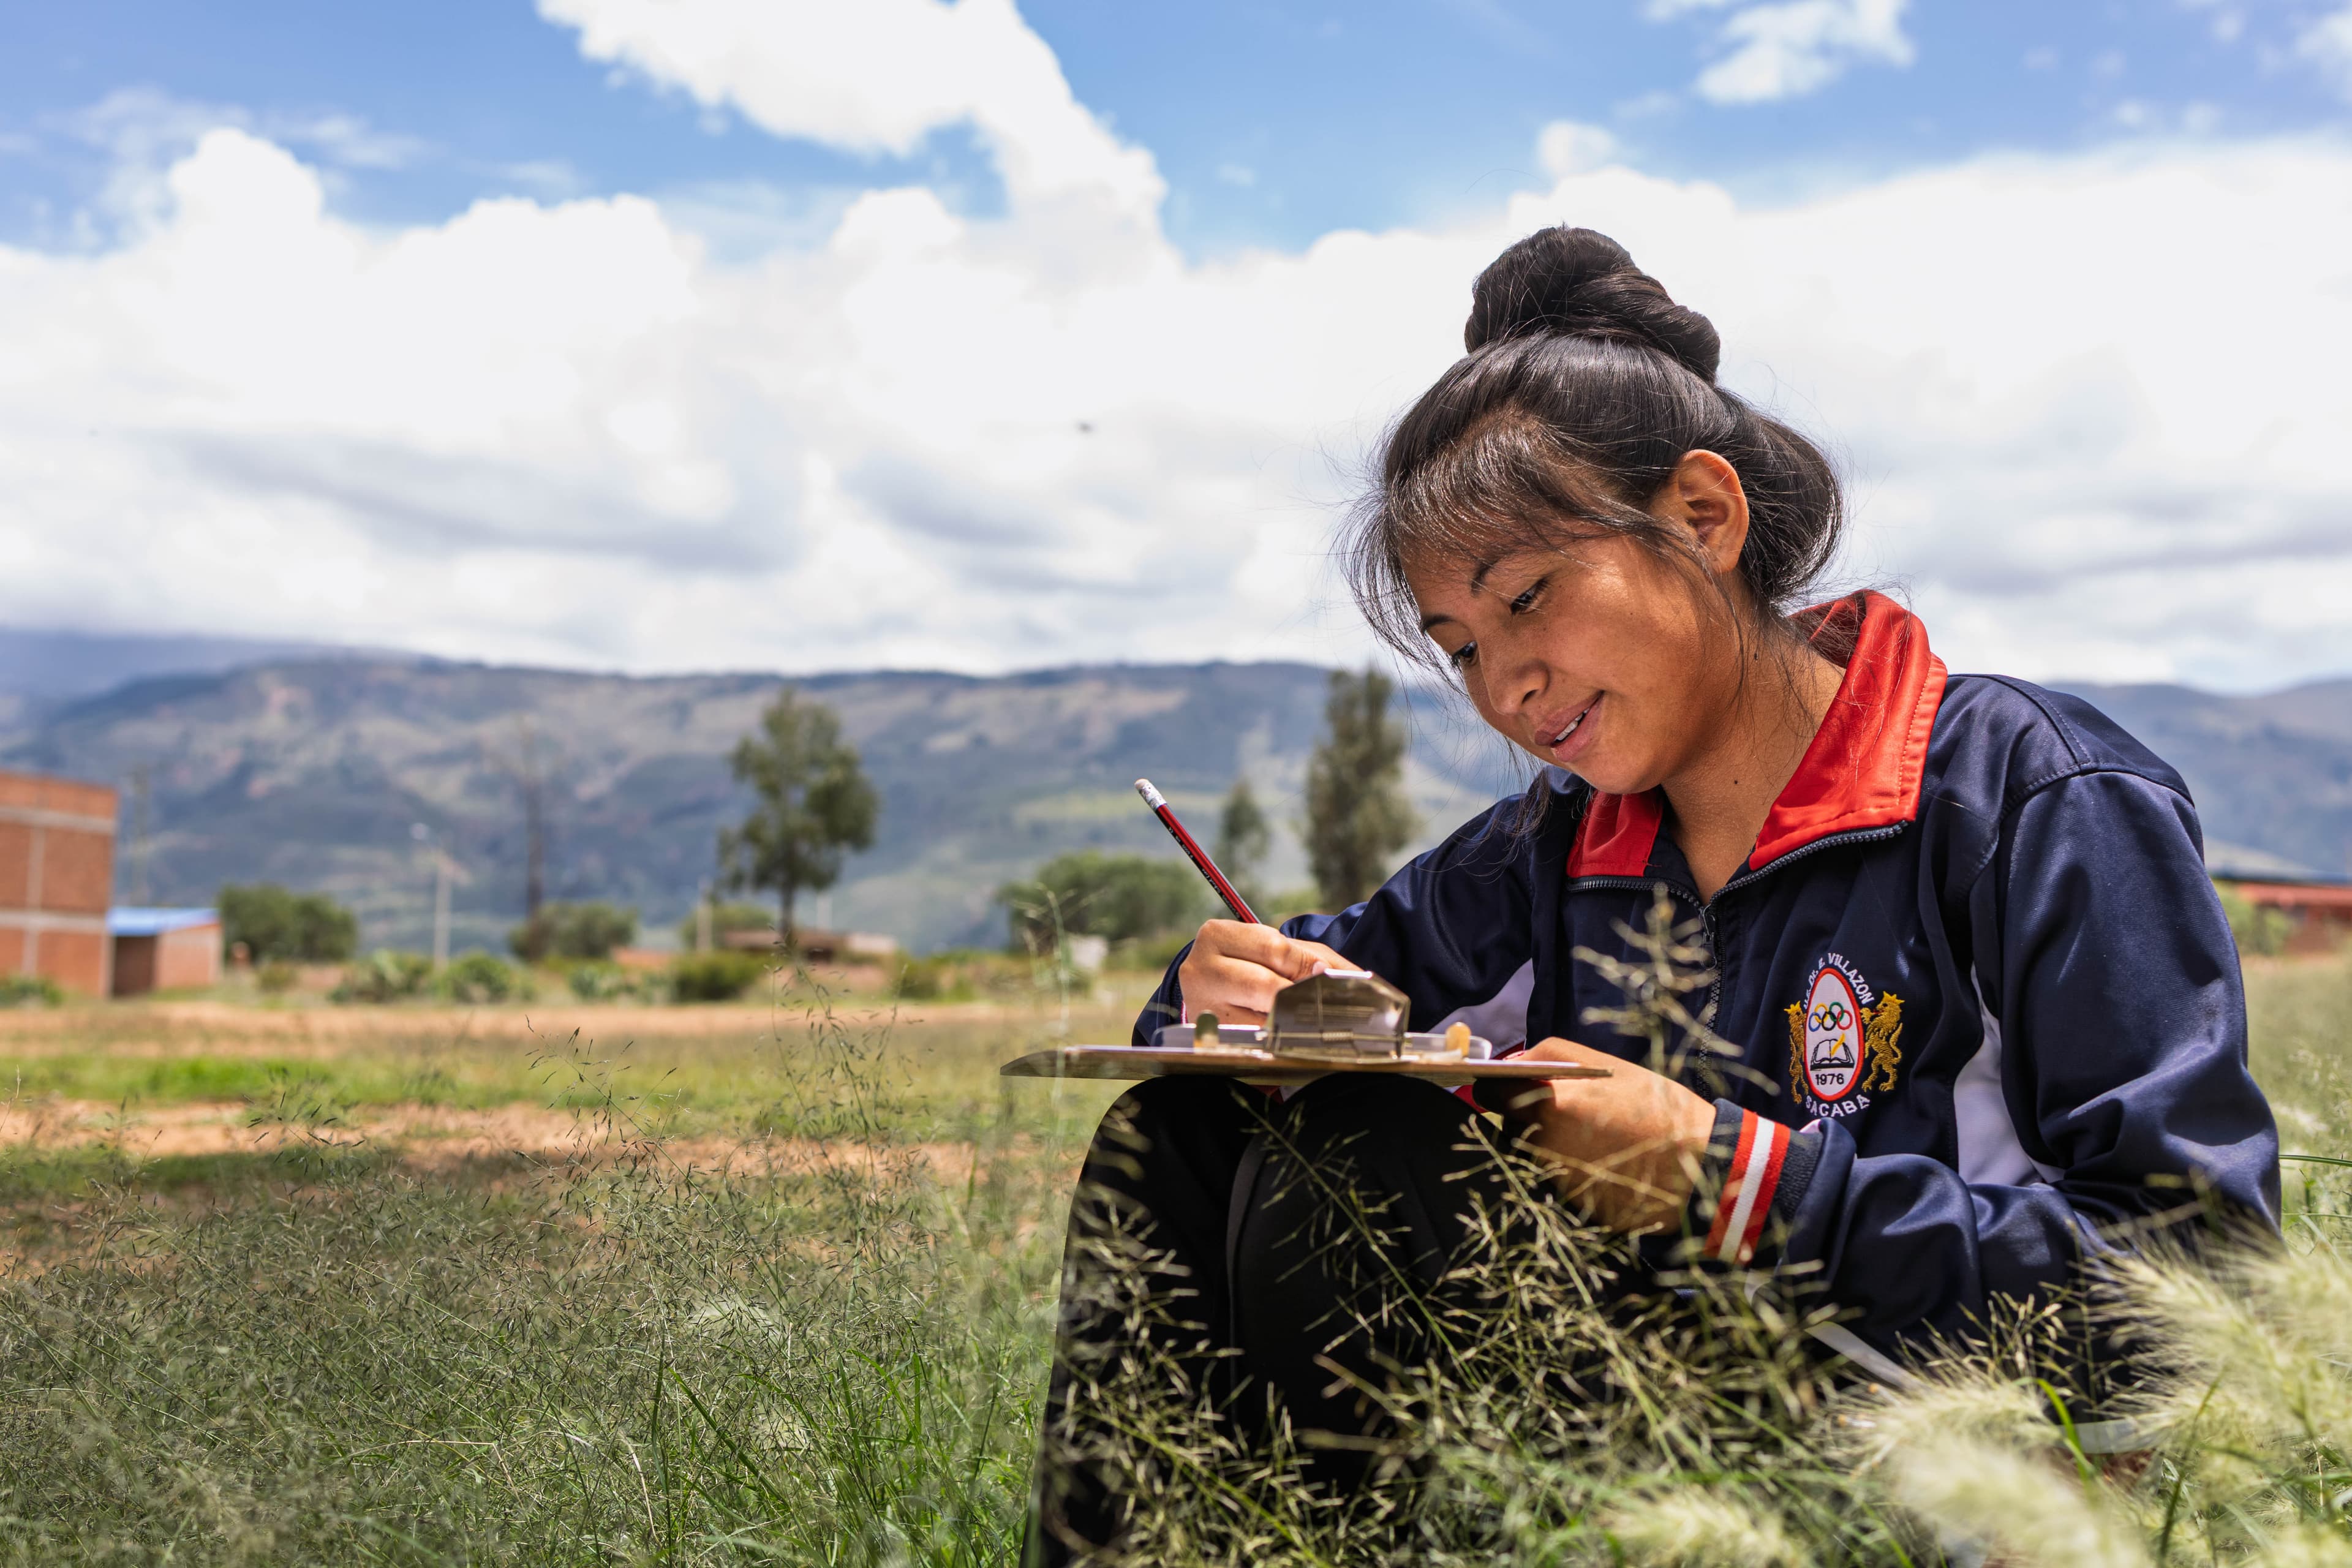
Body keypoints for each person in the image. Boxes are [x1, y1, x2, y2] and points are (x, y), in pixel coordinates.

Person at [1024, 225, 2280, 1564]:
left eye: (1531, 597)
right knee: (1179, 1137)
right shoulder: (1551, 853)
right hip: (1645, 1433)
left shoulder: (2027, 795)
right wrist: (1220, 996)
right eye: (1461, 645)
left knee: (1374, 1164)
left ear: (1703, 517)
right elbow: (1305, 984)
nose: (1504, 684)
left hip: (1945, 1466)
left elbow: (2196, 1284)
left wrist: (1735, 1181)